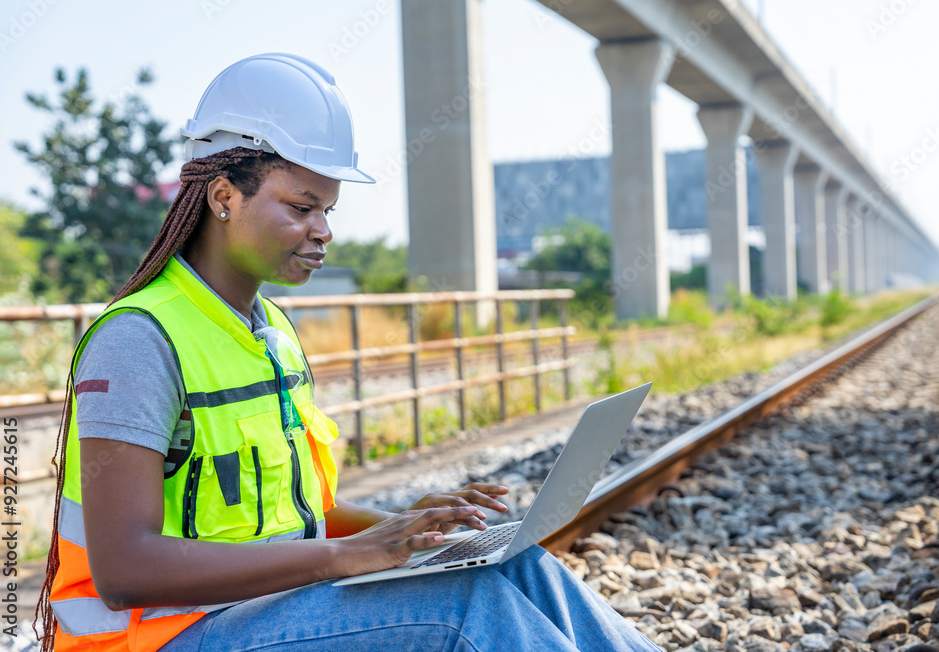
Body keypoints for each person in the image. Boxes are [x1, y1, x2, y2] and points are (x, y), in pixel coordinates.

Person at [33, 52, 662, 652]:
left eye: (328, 209)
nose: (324, 231)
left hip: (253, 610)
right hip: (163, 637)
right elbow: (124, 570)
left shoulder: (269, 331)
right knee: (469, 606)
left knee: (519, 568)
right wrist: (341, 557)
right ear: (224, 197)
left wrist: (397, 529)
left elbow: (298, 518)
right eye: (302, 207)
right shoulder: (139, 340)